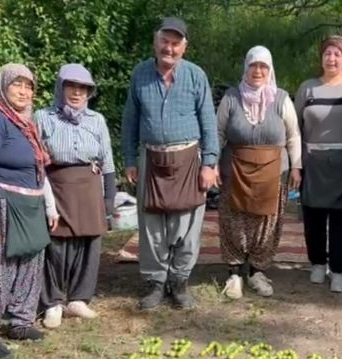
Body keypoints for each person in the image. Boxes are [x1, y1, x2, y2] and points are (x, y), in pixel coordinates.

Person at [121, 17, 218, 310]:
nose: (170, 48)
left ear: (184, 47)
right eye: (165, 40)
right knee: (151, 226)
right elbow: (130, 122)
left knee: (187, 226)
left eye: (176, 43)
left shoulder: (196, 76)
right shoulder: (140, 74)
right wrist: (129, 159)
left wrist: (209, 163)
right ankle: (155, 283)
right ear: (156, 41)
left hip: (189, 159)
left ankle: (180, 282)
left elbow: (209, 123)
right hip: (151, 158)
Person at [0, 63, 59, 359]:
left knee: (30, 263)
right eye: (16, 84)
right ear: (3, 87)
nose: (23, 91)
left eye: (28, 85)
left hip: (29, 203)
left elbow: (38, 169)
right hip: (0, 203)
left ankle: (20, 321)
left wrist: (50, 205)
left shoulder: (26, 124)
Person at [216, 46, 302, 299]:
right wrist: (210, 165)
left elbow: (293, 135)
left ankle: (256, 272)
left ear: (270, 69)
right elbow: (218, 133)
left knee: (266, 223)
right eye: (253, 65)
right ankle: (234, 272)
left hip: (274, 172)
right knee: (234, 221)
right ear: (246, 67)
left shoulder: (282, 98)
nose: (258, 71)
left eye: (263, 66)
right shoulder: (231, 98)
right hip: (235, 171)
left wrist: (296, 166)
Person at [35, 64, 116, 329]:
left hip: (90, 186)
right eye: (72, 86)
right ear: (61, 87)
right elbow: (35, 159)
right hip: (57, 185)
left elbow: (108, 161)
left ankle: (79, 298)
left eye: (83, 88)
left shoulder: (97, 120)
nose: (77, 93)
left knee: (89, 242)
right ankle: (53, 302)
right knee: (56, 243)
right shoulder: (43, 117)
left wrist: (108, 200)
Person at [295, 35, 342, 293]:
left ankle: (339, 268)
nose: (331, 58)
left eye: (337, 54)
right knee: (313, 216)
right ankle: (317, 263)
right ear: (321, 57)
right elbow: (295, 128)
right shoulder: (307, 88)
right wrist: (296, 162)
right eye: (327, 53)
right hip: (313, 160)